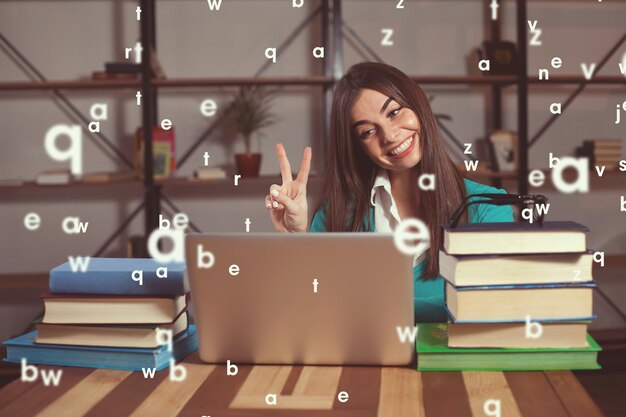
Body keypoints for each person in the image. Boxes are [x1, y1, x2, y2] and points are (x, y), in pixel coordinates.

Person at [264, 62, 513, 322]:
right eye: (368, 131)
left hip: (455, 362)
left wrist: (364, 306)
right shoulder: (335, 217)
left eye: (394, 112)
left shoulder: (489, 207)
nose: (391, 136)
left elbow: (489, 305)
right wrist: (294, 241)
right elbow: (305, 313)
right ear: (357, 146)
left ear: (418, 106)